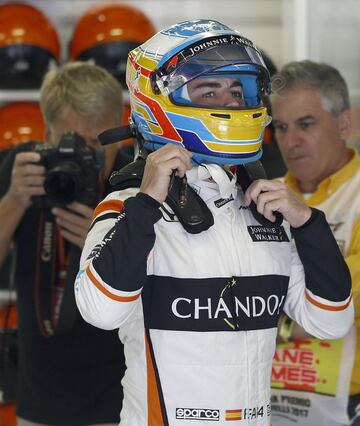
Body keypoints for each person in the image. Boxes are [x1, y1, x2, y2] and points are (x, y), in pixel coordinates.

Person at [74, 21, 354, 426]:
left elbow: (330, 320)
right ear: (158, 99)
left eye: (238, 91)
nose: (231, 103)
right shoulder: (126, 207)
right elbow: (98, 310)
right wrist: (148, 202)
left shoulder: (266, 208)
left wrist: (309, 224)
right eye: (210, 90)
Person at [0, 62, 126, 426]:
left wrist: (104, 243)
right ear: (46, 134)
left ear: (119, 135)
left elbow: (162, 284)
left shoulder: (135, 180)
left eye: (97, 144)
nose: (85, 157)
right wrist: (14, 200)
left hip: (117, 395)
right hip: (39, 395)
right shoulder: (24, 170)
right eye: (71, 143)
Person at [270, 60, 360, 425]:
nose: (291, 141)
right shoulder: (262, 195)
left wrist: (271, 322)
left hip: (348, 406)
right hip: (266, 401)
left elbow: (346, 300)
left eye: (306, 124)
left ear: (344, 123)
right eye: (281, 127)